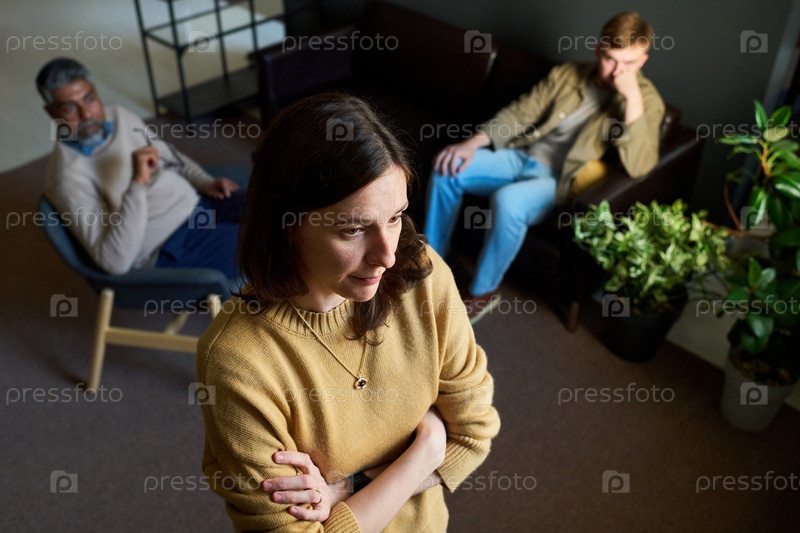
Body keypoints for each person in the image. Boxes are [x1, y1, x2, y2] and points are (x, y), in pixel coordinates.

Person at [196, 92, 500, 532]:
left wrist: (346, 489)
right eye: (353, 229)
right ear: (287, 227)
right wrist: (426, 449)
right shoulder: (237, 362)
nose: (387, 256)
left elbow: (474, 434)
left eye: (395, 217)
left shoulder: (420, 276)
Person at [425, 12, 665, 323]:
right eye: (610, 59)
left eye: (629, 63)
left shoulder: (647, 102)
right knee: (448, 167)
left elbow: (639, 167)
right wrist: (471, 144)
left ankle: (484, 291)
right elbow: (520, 113)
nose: (618, 72)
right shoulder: (568, 74)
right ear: (598, 49)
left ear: (643, 60)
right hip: (520, 155)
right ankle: (429, 266)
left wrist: (631, 99)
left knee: (508, 201)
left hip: (558, 181)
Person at [39, 57, 244, 280]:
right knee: (266, 243)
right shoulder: (67, 177)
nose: (87, 114)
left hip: (198, 206)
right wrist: (137, 184)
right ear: (51, 112)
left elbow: (169, 155)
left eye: (89, 99)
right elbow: (113, 261)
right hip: (170, 247)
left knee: (271, 207)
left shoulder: (118, 115)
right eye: (69, 108)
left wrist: (204, 181)